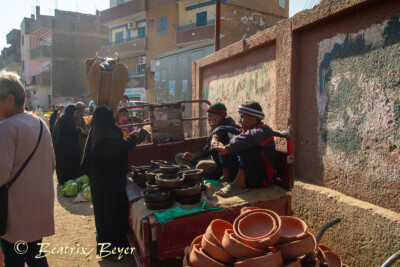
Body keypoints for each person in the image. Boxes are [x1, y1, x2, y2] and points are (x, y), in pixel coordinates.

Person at [0, 71, 55, 266]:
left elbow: (1, 175)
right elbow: (51, 165)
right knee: (36, 255)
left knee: (13, 258)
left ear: (9, 99)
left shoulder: (6, 127)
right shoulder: (40, 123)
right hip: (39, 206)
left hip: (15, 211)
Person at [81, 106, 146, 261]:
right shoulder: (102, 130)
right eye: (113, 111)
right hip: (105, 182)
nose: (116, 114)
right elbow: (113, 151)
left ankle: (118, 247)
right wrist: (132, 139)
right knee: (108, 215)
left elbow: (116, 146)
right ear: (106, 115)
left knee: (113, 214)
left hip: (108, 179)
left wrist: (133, 138)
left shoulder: (103, 127)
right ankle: (109, 252)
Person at [212, 101, 277, 197]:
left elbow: (249, 137)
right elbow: (223, 128)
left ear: (253, 118)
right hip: (249, 175)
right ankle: (227, 177)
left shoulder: (264, 131)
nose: (239, 120)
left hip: (262, 179)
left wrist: (228, 148)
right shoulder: (245, 130)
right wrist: (215, 139)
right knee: (228, 139)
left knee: (245, 144)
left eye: (242, 117)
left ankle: (238, 184)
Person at [175, 102, 239, 180]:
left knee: (201, 165)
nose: (208, 119)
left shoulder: (229, 130)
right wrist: (195, 155)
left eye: (210, 116)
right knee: (179, 156)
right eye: (208, 116)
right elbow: (207, 149)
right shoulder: (214, 127)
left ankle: (196, 172)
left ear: (220, 117)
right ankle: (195, 171)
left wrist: (214, 130)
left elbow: (223, 153)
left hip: (221, 164)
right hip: (209, 158)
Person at [52, 104, 82, 185]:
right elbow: (72, 131)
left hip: (61, 145)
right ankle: (68, 178)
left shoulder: (62, 116)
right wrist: (79, 130)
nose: (75, 114)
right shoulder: (67, 118)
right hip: (66, 146)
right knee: (68, 163)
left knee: (62, 163)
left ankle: (63, 179)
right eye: (75, 112)